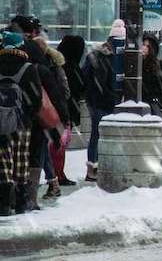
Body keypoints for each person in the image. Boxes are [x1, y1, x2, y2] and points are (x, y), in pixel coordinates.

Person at [11, 15, 66, 208]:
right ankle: (28, 198)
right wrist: (62, 119)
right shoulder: (37, 68)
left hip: (14, 118)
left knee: (13, 156)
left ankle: (13, 197)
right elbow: (54, 94)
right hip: (34, 120)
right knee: (33, 155)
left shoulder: (10, 64)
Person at [0, 30, 43, 215]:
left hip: (1, 121)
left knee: (4, 160)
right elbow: (36, 98)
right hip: (22, 121)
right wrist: (28, 115)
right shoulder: (28, 68)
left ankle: (3, 202)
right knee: (21, 159)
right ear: (20, 47)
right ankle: (20, 201)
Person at [33, 28, 78, 199]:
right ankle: (53, 180)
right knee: (46, 146)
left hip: (44, 113)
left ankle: (51, 181)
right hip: (49, 112)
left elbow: (61, 92)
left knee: (44, 147)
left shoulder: (44, 66)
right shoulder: (51, 64)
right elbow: (63, 92)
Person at [80, 21, 126, 181]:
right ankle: (99, 167)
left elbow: (85, 77)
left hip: (96, 100)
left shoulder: (96, 54)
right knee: (102, 134)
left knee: (97, 133)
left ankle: (93, 168)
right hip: (107, 99)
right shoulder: (121, 55)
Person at [140, 33, 162, 134]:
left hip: (156, 101)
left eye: (147, 46)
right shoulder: (135, 63)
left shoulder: (158, 65)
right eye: (143, 45)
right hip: (143, 101)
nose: (144, 48)